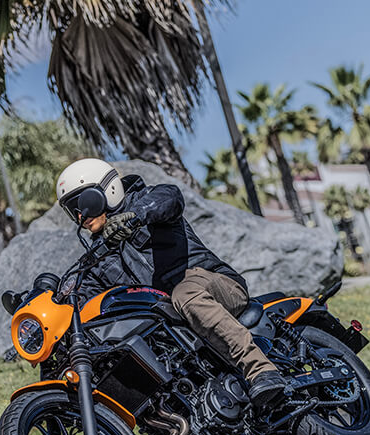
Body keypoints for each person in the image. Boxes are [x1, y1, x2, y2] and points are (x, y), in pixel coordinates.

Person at [55, 158, 287, 409]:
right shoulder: (99, 254)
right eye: (73, 209)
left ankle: (260, 369)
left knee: (183, 292)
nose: (80, 215)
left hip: (214, 284)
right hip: (171, 315)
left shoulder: (147, 201)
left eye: (83, 203)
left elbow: (171, 198)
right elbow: (79, 292)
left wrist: (135, 216)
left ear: (106, 192)